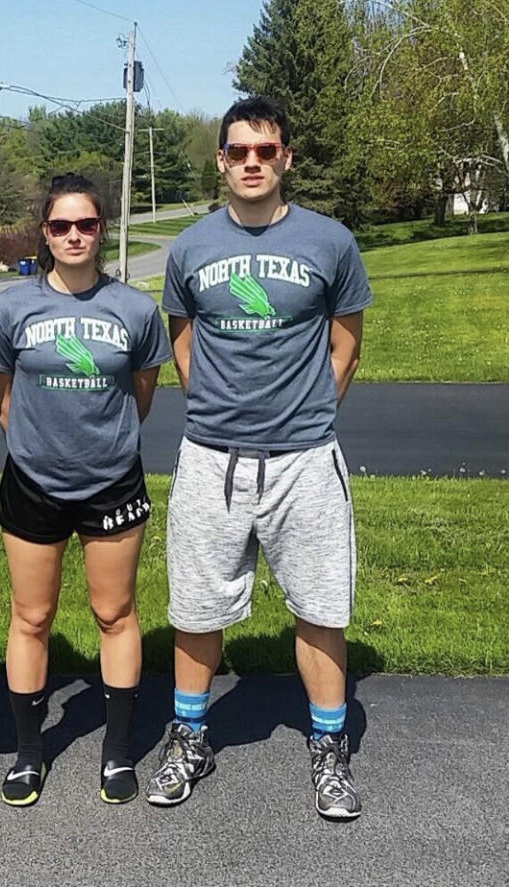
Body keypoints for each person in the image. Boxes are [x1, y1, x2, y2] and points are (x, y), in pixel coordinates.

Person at [146, 96, 371, 820]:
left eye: (265, 151)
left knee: (321, 607)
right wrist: (217, 406)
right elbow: (183, 343)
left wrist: (306, 411)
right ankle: (189, 737)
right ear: (221, 159)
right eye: (239, 151)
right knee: (196, 609)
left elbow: (346, 344)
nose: (252, 162)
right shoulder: (190, 248)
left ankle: (330, 749)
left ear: (286, 159)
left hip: (306, 459)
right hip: (212, 456)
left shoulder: (330, 242)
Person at [0, 173, 171, 806]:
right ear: (44, 231)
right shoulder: (11, 308)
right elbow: (2, 395)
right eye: (60, 225)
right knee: (31, 617)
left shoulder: (136, 311)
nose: (73, 236)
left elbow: (141, 394)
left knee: (114, 614)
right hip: (33, 483)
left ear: (102, 228)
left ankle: (117, 754)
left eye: (85, 224)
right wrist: (37, 444)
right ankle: (30, 755)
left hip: (113, 481)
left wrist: (102, 442)